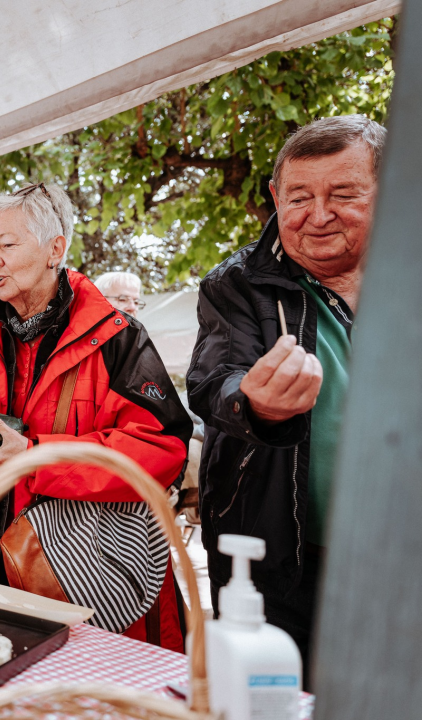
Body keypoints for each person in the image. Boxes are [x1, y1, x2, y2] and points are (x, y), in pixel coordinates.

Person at [0, 182, 192, 651]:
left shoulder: (117, 336)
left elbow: (162, 449)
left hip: (82, 575)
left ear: (55, 249)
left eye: (8, 245)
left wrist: (31, 456)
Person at [186, 115, 384, 682]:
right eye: (298, 197)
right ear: (275, 196)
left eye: (343, 195)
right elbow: (213, 380)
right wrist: (255, 405)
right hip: (276, 560)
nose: (317, 215)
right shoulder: (237, 284)